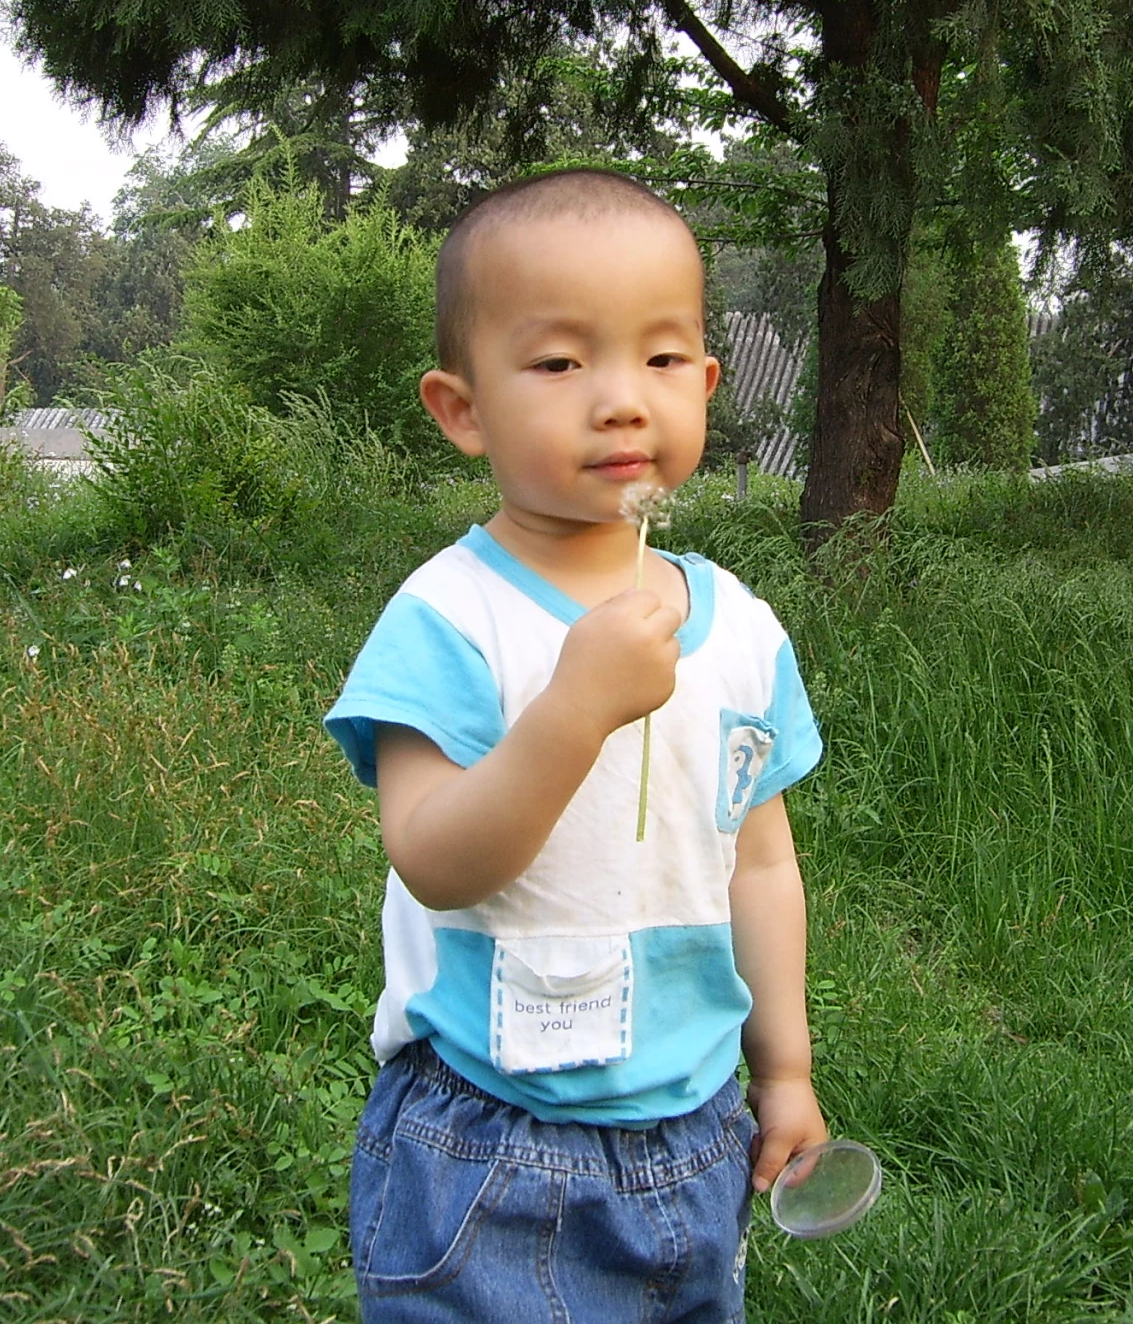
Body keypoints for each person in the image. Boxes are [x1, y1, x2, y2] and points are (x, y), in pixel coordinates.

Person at [323, 168, 830, 1321]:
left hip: (698, 1129)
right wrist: (571, 709)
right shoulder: (450, 617)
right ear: (461, 410)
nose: (619, 400)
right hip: (487, 1139)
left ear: (706, 384)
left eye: (659, 361)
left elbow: (759, 863)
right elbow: (433, 856)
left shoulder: (739, 628)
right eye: (557, 364)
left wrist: (783, 1070)